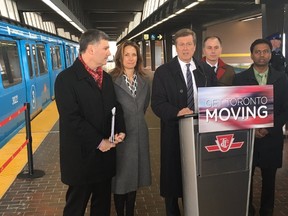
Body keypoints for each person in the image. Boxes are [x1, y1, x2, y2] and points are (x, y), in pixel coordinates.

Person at [54, 29, 126, 216]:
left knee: (102, 207)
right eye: (105, 48)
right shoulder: (65, 80)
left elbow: (115, 107)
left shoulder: (107, 79)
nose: (109, 53)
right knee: (75, 207)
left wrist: (120, 129)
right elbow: (72, 119)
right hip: (81, 159)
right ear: (91, 49)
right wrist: (99, 141)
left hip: (104, 157)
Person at [151, 28, 217, 216]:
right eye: (181, 44)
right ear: (176, 47)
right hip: (175, 132)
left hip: (201, 133)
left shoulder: (205, 70)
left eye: (189, 44)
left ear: (195, 47)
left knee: (198, 177)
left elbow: (215, 97)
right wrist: (176, 112)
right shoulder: (163, 72)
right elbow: (157, 103)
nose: (185, 48)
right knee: (173, 180)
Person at [233, 38, 288, 216]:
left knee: (269, 179)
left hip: (272, 138)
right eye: (258, 51)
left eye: (265, 51)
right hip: (248, 138)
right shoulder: (240, 79)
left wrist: (268, 128)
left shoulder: (281, 78)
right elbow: (235, 109)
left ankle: (267, 210)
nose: (262, 55)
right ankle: (247, 209)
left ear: (270, 54)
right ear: (251, 55)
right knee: (246, 178)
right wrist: (252, 129)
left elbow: (285, 109)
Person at [110, 40, 151, 216]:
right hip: (121, 137)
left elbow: (144, 107)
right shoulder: (111, 80)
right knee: (120, 181)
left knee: (134, 178)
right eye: (126, 54)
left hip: (140, 135)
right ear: (120, 57)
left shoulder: (144, 80)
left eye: (134, 54)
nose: (130, 58)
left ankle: (130, 212)